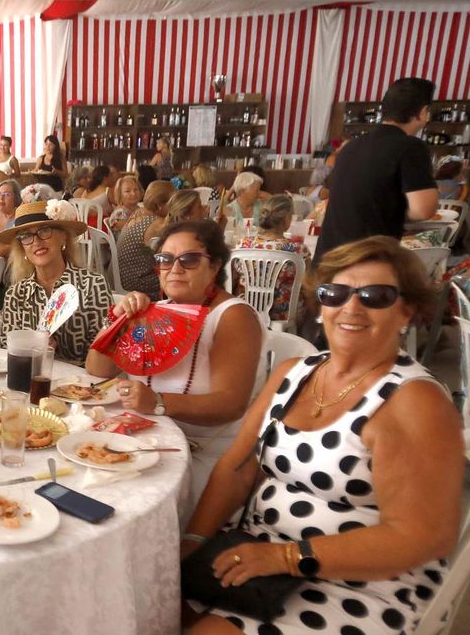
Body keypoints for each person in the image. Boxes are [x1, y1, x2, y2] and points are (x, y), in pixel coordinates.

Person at [178, 236, 461, 635]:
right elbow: (238, 467)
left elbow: (422, 536)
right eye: (336, 293)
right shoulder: (296, 372)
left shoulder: (413, 402)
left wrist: (286, 558)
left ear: (407, 311)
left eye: (375, 296)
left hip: (364, 582)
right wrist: (195, 540)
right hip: (261, 549)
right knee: (152, 596)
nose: (351, 307)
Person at [86, 220, 263, 504]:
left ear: (214, 267)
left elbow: (231, 404)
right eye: (165, 260)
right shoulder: (154, 311)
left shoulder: (232, 317)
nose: (175, 268)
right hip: (137, 444)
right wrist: (118, 321)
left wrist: (158, 402)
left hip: (201, 454)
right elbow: (97, 370)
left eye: (189, 260)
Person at [316, 77, 439, 259]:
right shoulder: (411, 147)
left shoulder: (351, 146)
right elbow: (423, 210)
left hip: (328, 258)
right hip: (364, 260)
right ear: (423, 112)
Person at [0, 201, 112, 363]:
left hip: (82, 378)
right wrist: (29, 351)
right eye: (26, 236)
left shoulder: (93, 285)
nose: (36, 241)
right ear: (22, 248)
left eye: (44, 231)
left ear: (63, 236)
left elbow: (105, 351)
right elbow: (6, 352)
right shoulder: (16, 294)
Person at [233, 195, 313, 325]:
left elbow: (232, 279)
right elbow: (308, 286)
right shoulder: (298, 250)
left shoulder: (242, 245)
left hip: (246, 309)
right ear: (287, 219)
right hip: (284, 315)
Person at [113, 180, 176, 299]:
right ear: (160, 205)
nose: (175, 207)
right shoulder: (156, 224)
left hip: (123, 276)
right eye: (173, 203)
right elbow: (168, 255)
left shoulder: (138, 212)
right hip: (138, 283)